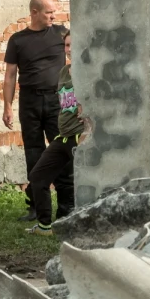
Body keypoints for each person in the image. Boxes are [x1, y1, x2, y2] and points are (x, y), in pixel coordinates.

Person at [3, 0, 71, 223]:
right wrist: (7, 106)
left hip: (56, 101)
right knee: (33, 154)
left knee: (62, 151)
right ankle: (37, 208)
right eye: (48, 12)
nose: (53, 16)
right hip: (29, 101)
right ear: (34, 12)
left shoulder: (61, 34)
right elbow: (10, 75)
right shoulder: (18, 40)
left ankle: (66, 207)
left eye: (54, 12)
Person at [25, 31, 90, 235]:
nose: (69, 49)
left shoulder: (88, 71)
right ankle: (45, 226)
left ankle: (85, 225)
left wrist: (88, 118)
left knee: (84, 183)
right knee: (38, 177)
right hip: (63, 136)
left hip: (80, 136)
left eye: (73, 45)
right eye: (67, 45)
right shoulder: (64, 72)